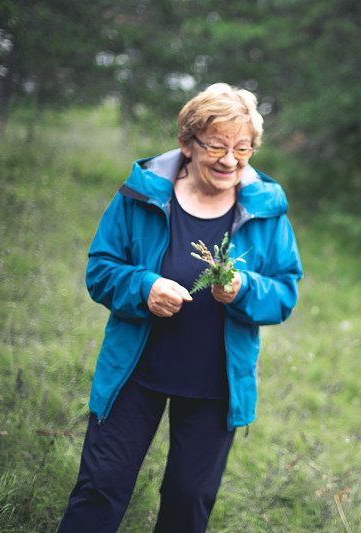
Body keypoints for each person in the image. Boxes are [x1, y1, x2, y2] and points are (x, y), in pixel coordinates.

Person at [59, 83, 303, 532]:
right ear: (187, 144)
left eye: (243, 148)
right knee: (101, 488)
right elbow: (100, 269)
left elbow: (286, 291)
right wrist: (143, 286)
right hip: (134, 372)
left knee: (188, 502)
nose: (230, 160)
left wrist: (245, 288)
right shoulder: (142, 193)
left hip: (215, 383)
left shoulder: (267, 210)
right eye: (217, 146)